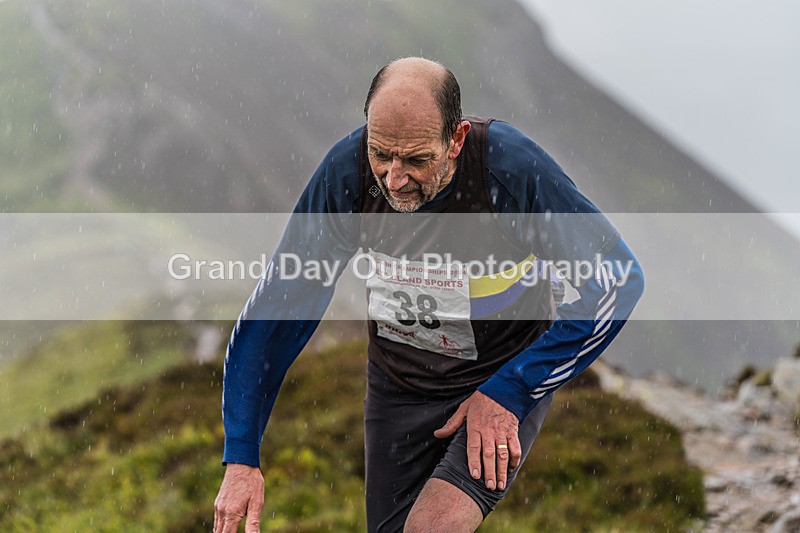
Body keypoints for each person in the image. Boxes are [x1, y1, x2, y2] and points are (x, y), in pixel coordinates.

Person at [213, 57, 644, 533]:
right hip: (400, 386)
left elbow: (617, 280)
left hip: (500, 373)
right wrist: (241, 455)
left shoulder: (509, 169)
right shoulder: (348, 176)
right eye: (381, 154)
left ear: (456, 139)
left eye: (417, 159)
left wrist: (514, 389)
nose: (394, 179)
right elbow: (277, 309)